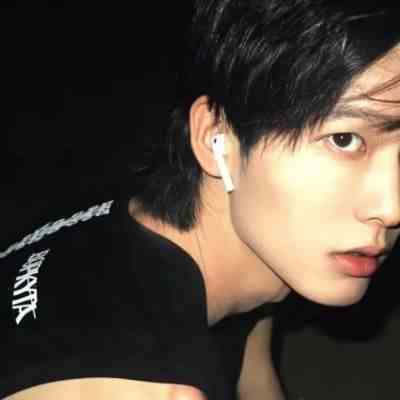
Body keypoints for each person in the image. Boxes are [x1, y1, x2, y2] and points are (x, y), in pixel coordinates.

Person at [2, 1, 400, 399]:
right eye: (344, 139)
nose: (391, 209)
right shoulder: (152, 390)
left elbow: (251, 363)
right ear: (216, 140)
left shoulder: (243, 257)